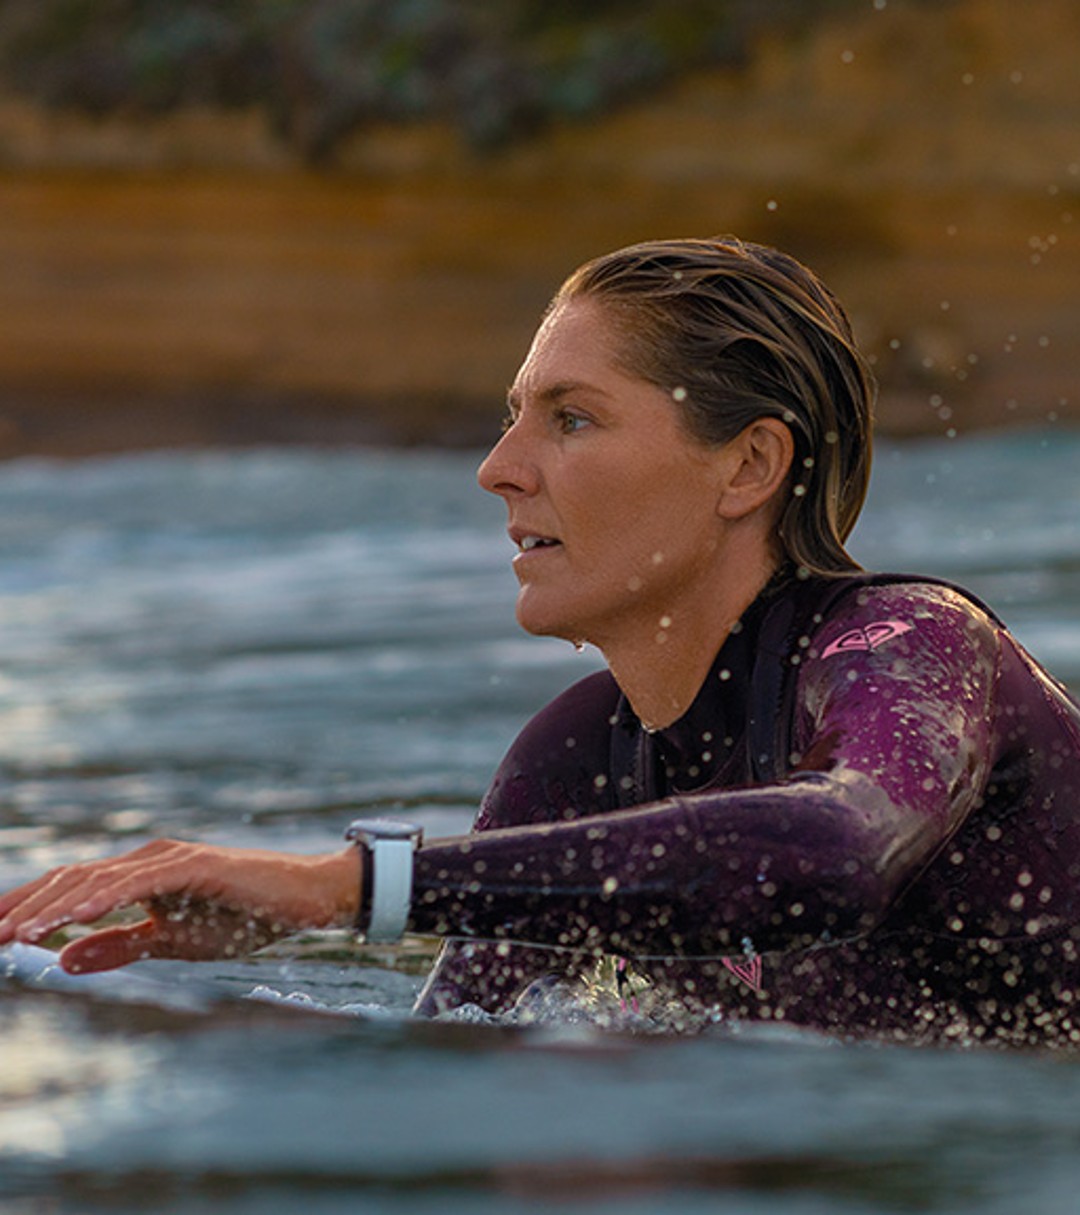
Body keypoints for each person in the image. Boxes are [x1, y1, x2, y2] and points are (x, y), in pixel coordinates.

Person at [2, 236, 1080, 1048]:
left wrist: (343, 888)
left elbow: (838, 854)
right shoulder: (574, 765)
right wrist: (185, 1037)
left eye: (571, 419)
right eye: (514, 416)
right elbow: (458, 1055)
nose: (499, 468)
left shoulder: (913, 648)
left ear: (749, 467)